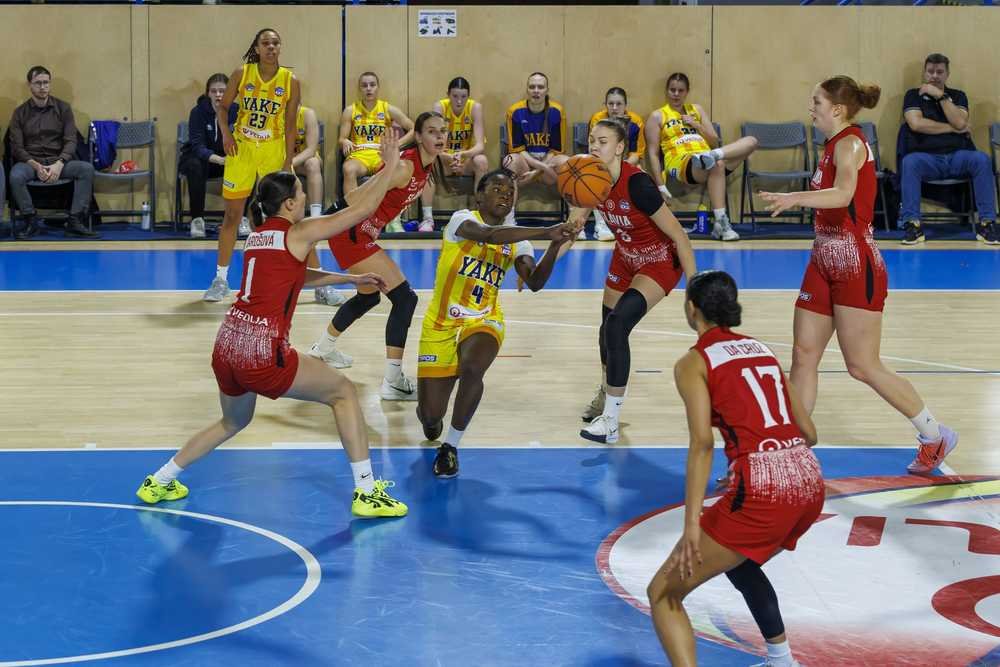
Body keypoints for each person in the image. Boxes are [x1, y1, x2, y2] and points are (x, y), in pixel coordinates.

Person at [136, 136, 407, 518]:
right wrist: (389, 166)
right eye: (301, 192)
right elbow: (360, 210)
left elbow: (292, 274)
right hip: (261, 351)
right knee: (344, 392)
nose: (305, 196)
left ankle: (160, 479)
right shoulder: (299, 232)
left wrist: (347, 279)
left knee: (233, 421)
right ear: (290, 203)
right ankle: (366, 492)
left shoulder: (258, 237)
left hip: (226, 345)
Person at [760, 75, 958, 474]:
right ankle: (792, 450)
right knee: (803, 356)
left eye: (816, 101)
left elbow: (843, 194)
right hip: (823, 258)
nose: (811, 107)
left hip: (855, 262)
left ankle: (934, 434)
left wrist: (795, 196)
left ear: (837, 109)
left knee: (863, 365)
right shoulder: (830, 145)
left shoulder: (850, 143)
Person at [647, 269, 821, 667]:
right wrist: (755, 459)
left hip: (764, 490)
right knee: (740, 562)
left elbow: (702, 443)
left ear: (692, 308)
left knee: (663, 593)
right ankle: (781, 660)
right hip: (809, 479)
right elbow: (808, 432)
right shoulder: (761, 349)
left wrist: (692, 525)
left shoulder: (694, 362)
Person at [416, 169, 581, 478]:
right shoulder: (461, 220)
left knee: (473, 368)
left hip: (484, 318)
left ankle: (450, 447)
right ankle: (433, 420)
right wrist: (547, 231)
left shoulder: (519, 243)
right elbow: (490, 236)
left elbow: (534, 282)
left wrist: (554, 245)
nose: (505, 194)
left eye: (510, 192)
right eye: (497, 189)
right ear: (479, 196)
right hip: (441, 322)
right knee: (430, 415)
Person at [307, 111, 449, 399]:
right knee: (405, 299)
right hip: (351, 230)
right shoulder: (404, 168)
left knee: (368, 297)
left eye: (443, 131)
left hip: (360, 231)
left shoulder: (427, 162)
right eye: (432, 131)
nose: (440, 136)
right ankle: (393, 381)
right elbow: (358, 198)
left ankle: (322, 349)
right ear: (418, 136)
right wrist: (324, 223)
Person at [574, 119, 696, 444]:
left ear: (619, 148)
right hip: (625, 256)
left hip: (658, 260)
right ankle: (607, 390)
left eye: (602, 141)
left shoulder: (638, 185)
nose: (594, 146)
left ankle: (611, 421)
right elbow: (571, 229)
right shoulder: (589, 179)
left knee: (617, 326)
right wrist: (540, 267)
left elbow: (679, 236)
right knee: (605, 330)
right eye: (591, 140)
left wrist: (693, 290)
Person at [202, 28, 300, 302]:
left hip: (273, 150)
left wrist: (288, 160)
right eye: (265, 43)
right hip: (242, 148)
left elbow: (291, 124)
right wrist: (226, 134)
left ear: (280, 47)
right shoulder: (242, 73)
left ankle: (313, 283)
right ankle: (221, 279)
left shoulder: (290, 80)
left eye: (275, 43)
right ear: (256, 48)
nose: (271, 47)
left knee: (288, 217)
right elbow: (223, 108)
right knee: (232, 215)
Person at [898, 53, 998, 245]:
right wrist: (952, 129)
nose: (934, 76)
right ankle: (912, 225)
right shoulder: (913, 95)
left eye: (939, 72)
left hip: (958, 157)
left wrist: (941, 96)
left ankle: (987, 224)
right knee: (909, 162)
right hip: (926, 158)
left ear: (947, 74)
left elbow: (960, 122)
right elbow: (916, 124)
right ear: (924, 73)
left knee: (982, 159)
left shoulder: (958, 96)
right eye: (930, 71)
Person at [646, 72, 757, 242]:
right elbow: (653, 153)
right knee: (716, 165)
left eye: (680, 90)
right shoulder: (657, 116)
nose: (676, 94)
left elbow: (714, 140)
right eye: (672, 90)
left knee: (751, 141)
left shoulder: (696, 110)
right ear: (667, 91)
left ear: (687, 92)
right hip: (682, 162)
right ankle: (721, 224)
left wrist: (696, 125)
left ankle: (714, 156)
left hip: (708, 157)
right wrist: (660, 186)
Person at [8, 65, 98, 239]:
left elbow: (71, 140)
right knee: (15, 175)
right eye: (38, 83)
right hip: (31, 163)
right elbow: (17, 147)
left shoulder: (63, 108)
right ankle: (31, 220)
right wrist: (36, 166)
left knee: (86, 169)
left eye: (46, 82)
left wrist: (59, 164)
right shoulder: (19, 113)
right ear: (30, 85)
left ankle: (74, 221)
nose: (43, 87)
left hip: (58, 162)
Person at [291, 102, 348, 307]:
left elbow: (311, 149)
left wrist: (289, 163)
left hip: (293, 162)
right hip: (271, 165)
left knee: (304, 235)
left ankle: (315, 215)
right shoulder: (271, 115)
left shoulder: (307, 114)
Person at [417, 77, 489, 232]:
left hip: (465, 160)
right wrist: (448, 157)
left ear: (468, 96)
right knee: (427, 162)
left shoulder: (475, 108)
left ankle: (479, 215)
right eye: (455, 96)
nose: (459, 101)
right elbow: (433, 143)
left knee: (482, 161)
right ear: (448, 95)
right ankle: (427, 218)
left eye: (463, 96)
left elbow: (480, 146)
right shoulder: (440, 107)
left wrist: (463, 155)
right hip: (444, 159)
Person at [179, 73, 238, 239]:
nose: (218, 95)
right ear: (208, 93)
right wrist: (220, 160)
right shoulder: (197, 112)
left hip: (227, 160)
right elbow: (198, 146)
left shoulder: (237, 111)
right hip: (203, 160)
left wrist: (233, 160)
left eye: (222, 91)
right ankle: (197, 220)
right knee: (194, 165)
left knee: (248, 165)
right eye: (214, 91)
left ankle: (239, 219)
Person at [587, 87, 645, 241]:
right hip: (601, 162)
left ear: (625, 105)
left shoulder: (636, 121)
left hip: (626, 162)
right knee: (595, 176)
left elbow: (636, 154)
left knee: (642, 176)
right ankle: (601, 225)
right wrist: (609, 166)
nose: (614, 108)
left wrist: (620, 167)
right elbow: (593, 149)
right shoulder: (598, 120)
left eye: (618, 104)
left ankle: (638, 224)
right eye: (610, 104)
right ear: (605, 104)